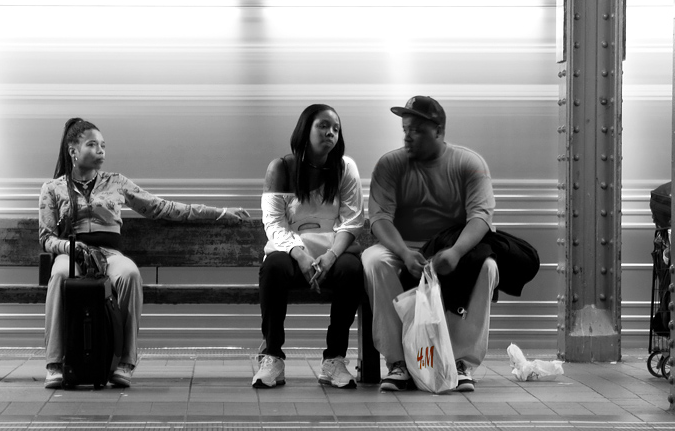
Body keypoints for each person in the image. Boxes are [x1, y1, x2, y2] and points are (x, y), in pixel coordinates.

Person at [40, 118, 250, 389]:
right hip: (72, 254)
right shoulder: (53, 188)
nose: (101, 150)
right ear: (73, 151)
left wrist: (220, 213)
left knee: (129, 274)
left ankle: (125, 362)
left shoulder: (116, 182)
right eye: (92, 145)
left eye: (103, 145)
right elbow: (46, 239)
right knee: (58, 274)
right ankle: (54, 364)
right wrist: (68, 247)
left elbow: (163, 207)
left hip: (109, 254)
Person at [362, 96, 498, 393]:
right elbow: (380, 218)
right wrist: (403, 253)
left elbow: (481, 217)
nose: (407, 136)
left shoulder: (468, 163)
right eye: (405, 129)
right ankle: (398, 363)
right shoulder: (390, 164)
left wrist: (456, 252)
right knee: (374, 261)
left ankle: (460, 363)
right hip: (403, 246)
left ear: (438, 131)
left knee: (487, 266)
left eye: (416, 130)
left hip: (450, 245)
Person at [256, 104, 366, 389]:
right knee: (274, 267)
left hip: (332, 253)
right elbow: (274, 225)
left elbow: (352, 221)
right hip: (292, 254)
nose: (330, 132)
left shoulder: (345, 168)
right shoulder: (280, 168)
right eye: (323, 126)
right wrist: (301, 256)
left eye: (335, 129)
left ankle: (334, 359)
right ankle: (272, 357)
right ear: (305, 129)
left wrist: (330, 256)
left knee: (352, 269)